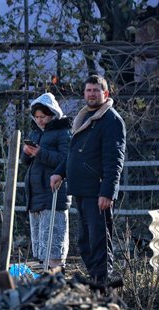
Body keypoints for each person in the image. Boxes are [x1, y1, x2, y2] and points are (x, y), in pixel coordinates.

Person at [50, 75, 126, 285]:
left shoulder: (111, 120)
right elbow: (74, 155)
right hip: (81, 189)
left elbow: (114, 160)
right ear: (84, 93)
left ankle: (102, 283)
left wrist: (107, 192)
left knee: (99, 240)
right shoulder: (84, 118)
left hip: (97, 190)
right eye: (88, 90)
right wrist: (59, 172)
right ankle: (96, 279)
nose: (92, 94)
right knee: (85, 242)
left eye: (96, 90)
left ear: (106, 93)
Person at [22, 93, 72, 269]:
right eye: (36, 117)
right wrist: (27, 153)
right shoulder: (35, 133)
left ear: (52, 114)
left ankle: (56, 275)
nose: (39, 120)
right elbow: (26, 162)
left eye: (42, 117)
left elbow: (66, 160)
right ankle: (44, 278)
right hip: (36, 194)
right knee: (41, 243)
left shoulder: (63, 133)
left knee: (54, 240)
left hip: (53, 193)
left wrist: (40, 153)